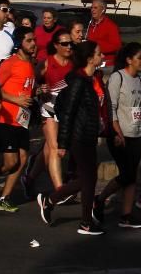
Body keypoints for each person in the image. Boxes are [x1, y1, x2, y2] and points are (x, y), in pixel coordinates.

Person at [36, 41, 110, 235]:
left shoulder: (91, 78)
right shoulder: (78, 81)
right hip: (79, 135)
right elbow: (68, 113)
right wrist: (62, 143)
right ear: (90, 58)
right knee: (89, 179)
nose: (102, 57)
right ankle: (85, 222)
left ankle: (50, 200)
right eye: (99, 54)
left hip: (89, 134)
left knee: (88, 178)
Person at [93, 42, 141, 229]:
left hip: (136, 133)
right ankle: (99, 200)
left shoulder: (139, 80)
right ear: (129, 59)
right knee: (126, 174)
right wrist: (116, 131)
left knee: (131, 175)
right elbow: (111, 107)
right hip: (119, 134)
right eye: (140, 57)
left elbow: (139, 107)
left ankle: (126, 215)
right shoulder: (118, 77)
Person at [0, 27, 37, 212]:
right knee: (10, 162)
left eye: (34, 40)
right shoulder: (11, 62)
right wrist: (15, 99)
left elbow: (25, 86)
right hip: (6, 118)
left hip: (22, 120)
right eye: (29, 41)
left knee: (22, 159)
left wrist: (37, 91)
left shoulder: (30, 63)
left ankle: (4, 198)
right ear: (19, 43)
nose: (33, 44)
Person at [21, 29, 74, 199]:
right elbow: (31, 82)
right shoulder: (46, 63)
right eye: (65, 44)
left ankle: (29, 178)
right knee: (54, 147)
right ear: (56, 45)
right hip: (49, 106)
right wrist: (39, 88)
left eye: (70, 43)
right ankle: (60, 190)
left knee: (48, 148)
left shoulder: (74, 63)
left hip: (66, 109)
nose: (69, 46)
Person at [86, 0, 122, 70]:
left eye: (95, 8)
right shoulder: (91, 24)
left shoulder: (111, 26)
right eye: (91, 8)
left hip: (106, 64)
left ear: (103, 10)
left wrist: (98, 48)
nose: (92, 10)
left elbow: (117, 46)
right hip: (92, 62)